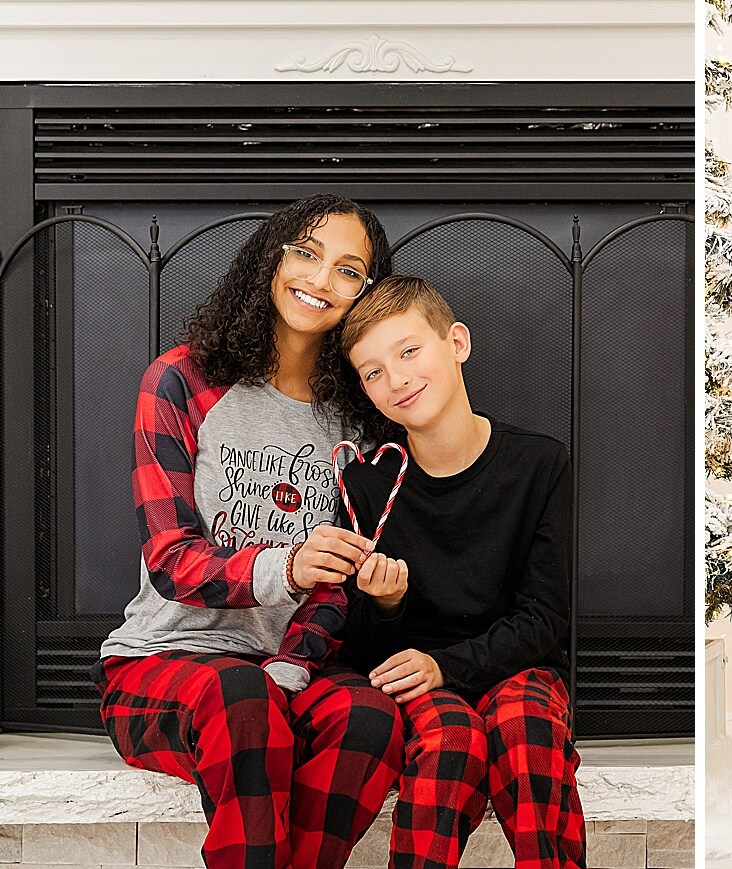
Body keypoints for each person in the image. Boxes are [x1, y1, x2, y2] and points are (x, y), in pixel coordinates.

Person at [94, 194, 404, 869]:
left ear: (364, 296)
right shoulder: (180, 381)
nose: (321, 280)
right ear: (272, 257)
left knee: (372, 718)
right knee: (242, 696)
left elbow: (336, 579)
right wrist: (287, 564)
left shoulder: (355, 423)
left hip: (287, 670)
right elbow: (173, 559)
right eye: (307, 252)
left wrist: (302, 653)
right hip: (164, 662)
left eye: (349, 271)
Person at [334, 275, 583, 869]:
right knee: (451, 745)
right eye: (372, 372)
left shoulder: (539, 464)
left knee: (528, 734)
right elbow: (361, 649)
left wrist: (448, 664)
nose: (396, 379)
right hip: (417, 683)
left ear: (458, 343)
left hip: (517, 668)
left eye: (409, 352)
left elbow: (544, 618)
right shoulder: (368, 484)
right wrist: (386, 606)